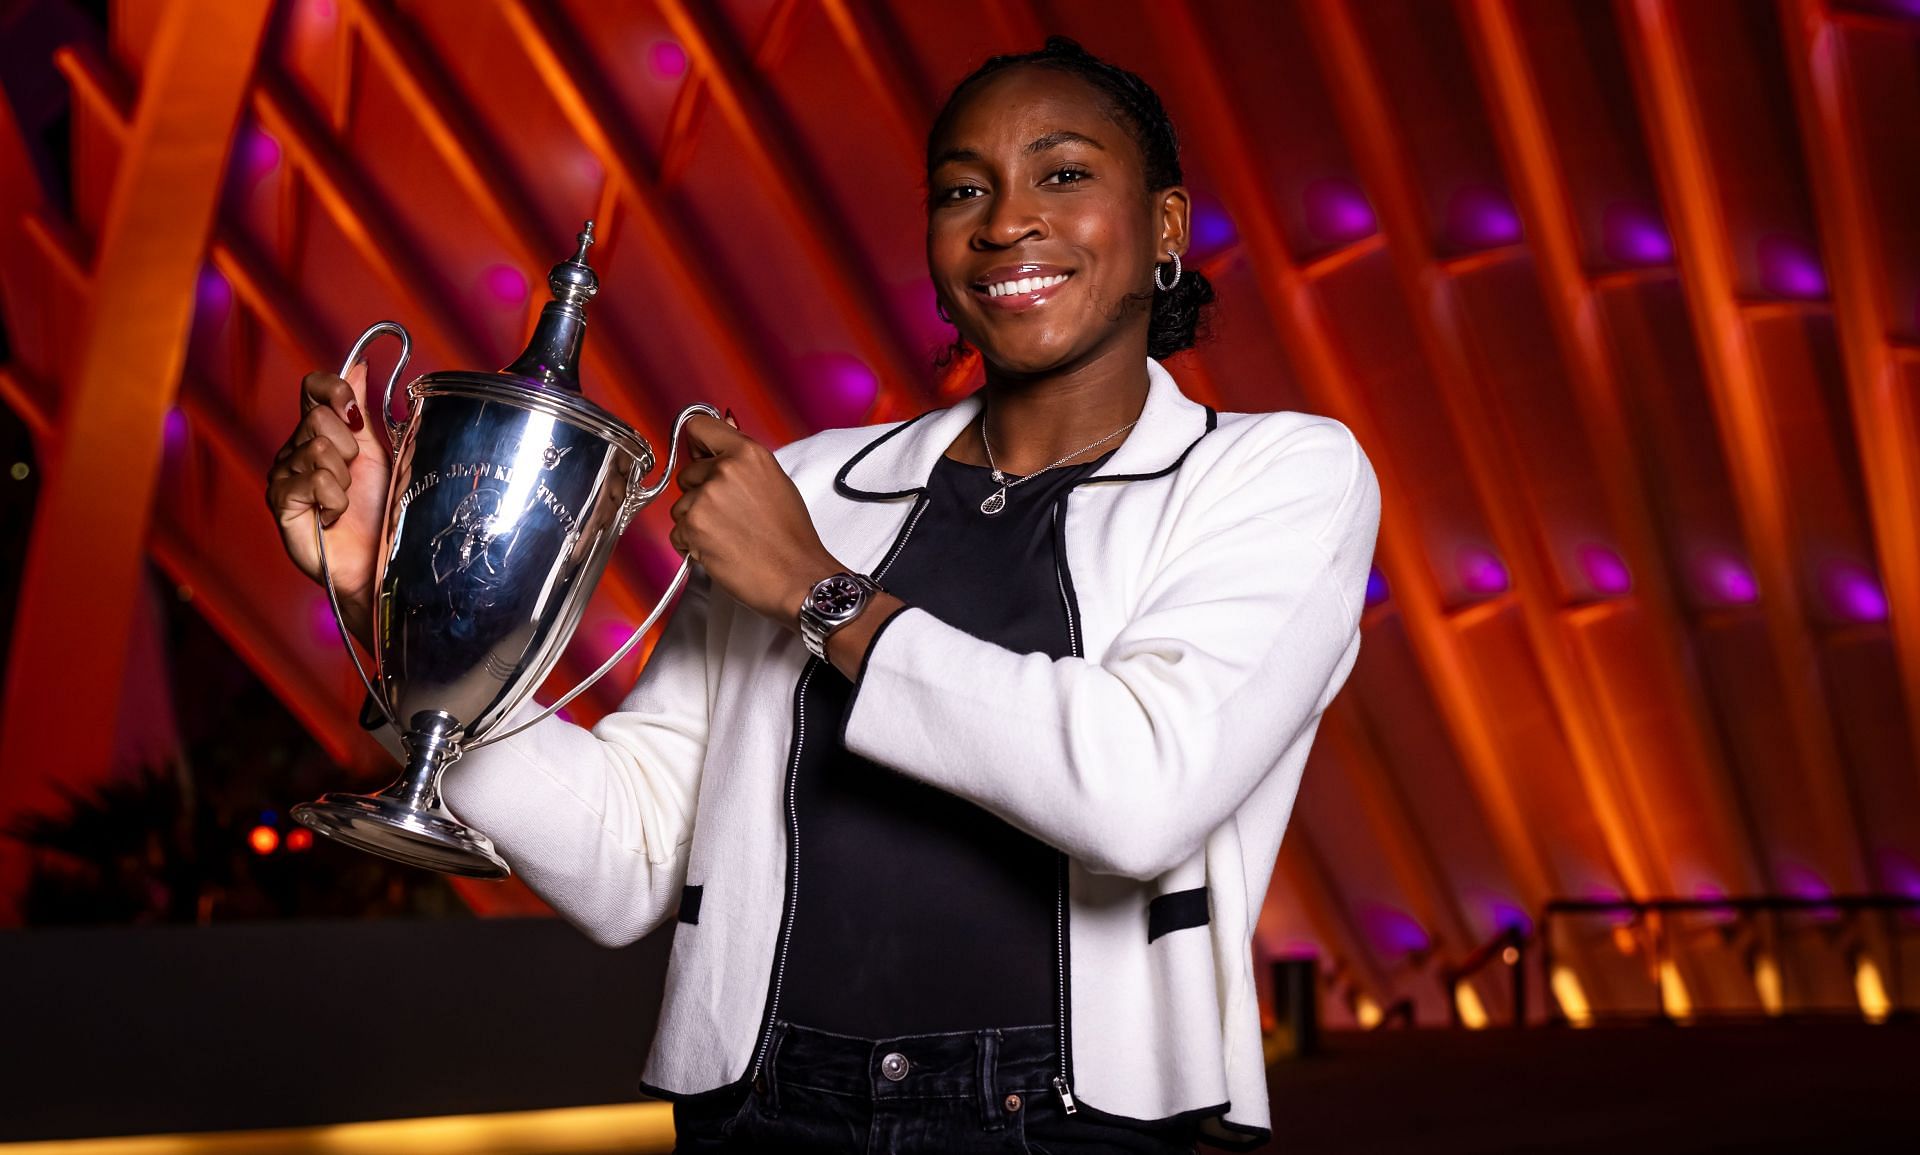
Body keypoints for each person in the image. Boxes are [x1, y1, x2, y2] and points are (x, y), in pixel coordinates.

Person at [266, 36, 1379, 1155]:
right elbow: (631, 858)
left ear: (1167, 230)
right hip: (764, 1110)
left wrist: (814, 589)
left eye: (1064, 172)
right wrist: (399, 606)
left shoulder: (1278, 475)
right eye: (962, 188)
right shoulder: (804, 485)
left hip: (1078, 1120)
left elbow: (1139, 793)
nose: (1005, 219)